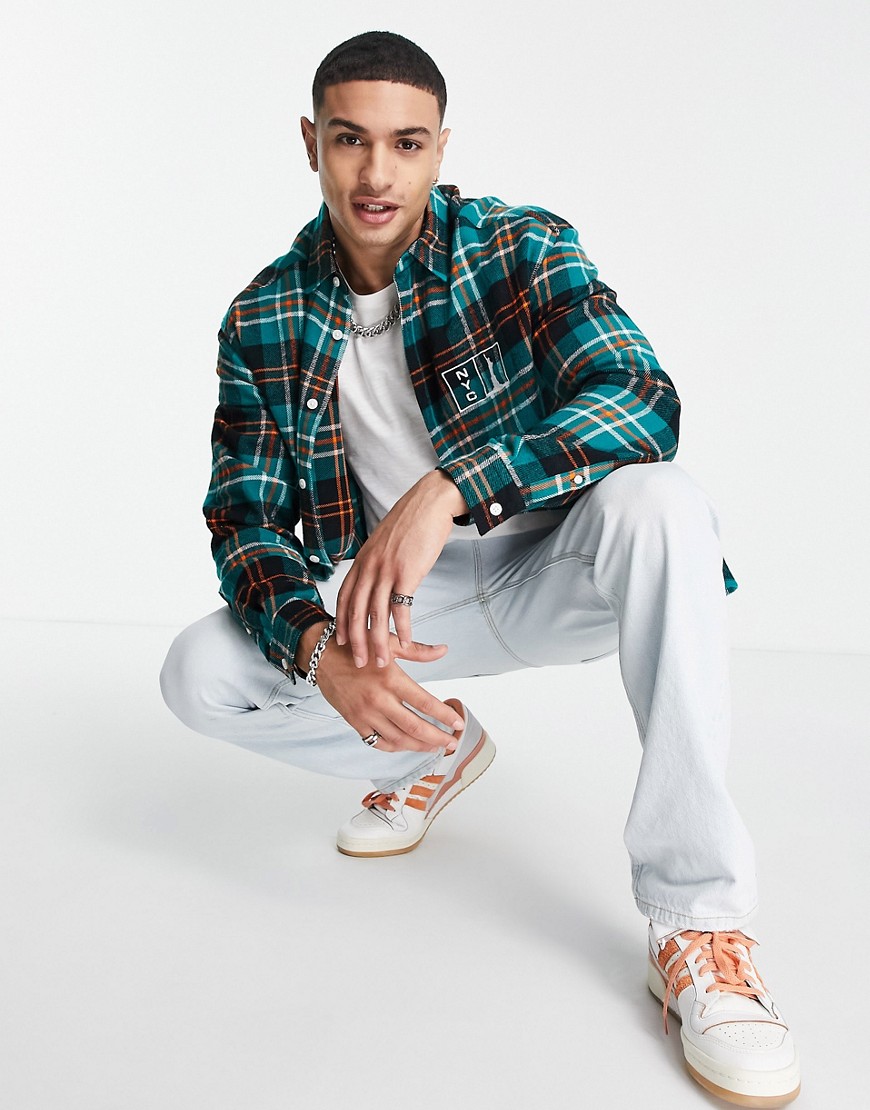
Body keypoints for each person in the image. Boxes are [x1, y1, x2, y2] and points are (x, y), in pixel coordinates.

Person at [160, 31, 800, 1106]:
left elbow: (641, 399)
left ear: (440, 148)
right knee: (198, 672)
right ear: (311, 142)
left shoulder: (517, 246)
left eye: (406, 144)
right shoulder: (263, 315)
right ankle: (434, 748)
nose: (377, 173)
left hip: (558, 566)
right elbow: (245, 520)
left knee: (666, 504)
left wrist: (450, 487)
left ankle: (698, 925)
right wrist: (319, 653)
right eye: (351, 141)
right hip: (409, 617)